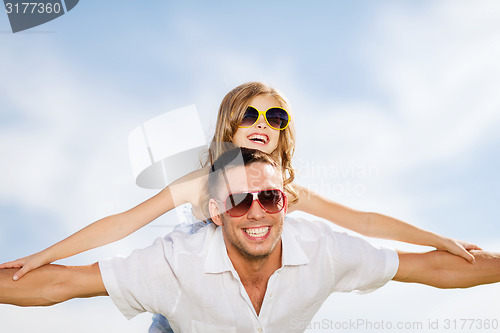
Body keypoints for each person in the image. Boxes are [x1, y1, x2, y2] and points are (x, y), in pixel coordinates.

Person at [0, 82, 480, 331]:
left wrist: (438, 239)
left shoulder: (289, 190)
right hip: (185, 300)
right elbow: (123, 224)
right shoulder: (200, 181)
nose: (262, 123)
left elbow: (367, 221)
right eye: (249, 114)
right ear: (228, 125)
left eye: (275, 117)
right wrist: (45, 254)